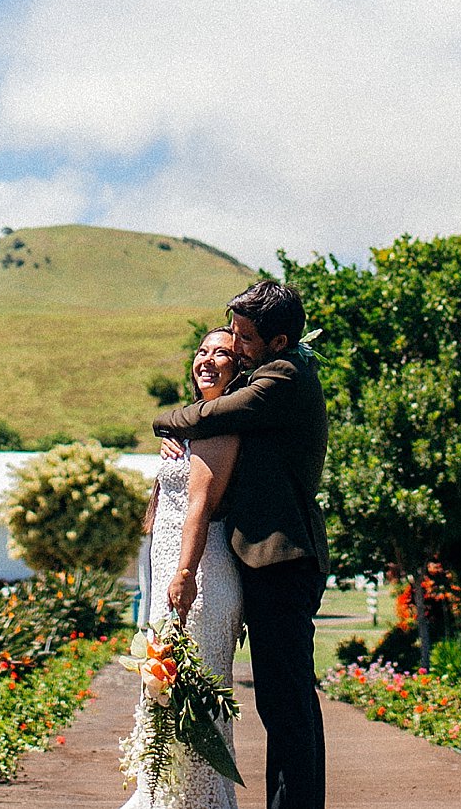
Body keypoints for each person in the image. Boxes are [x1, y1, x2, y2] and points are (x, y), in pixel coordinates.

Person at [153, 280, 329, 809]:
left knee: (288, 701)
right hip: (263, 559)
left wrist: (166, 422)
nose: (234, 341)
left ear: (277, 342)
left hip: (281, 558)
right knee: (280, 701)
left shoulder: (284, 376)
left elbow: (215, 416)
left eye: (243, 336)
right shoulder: (272, 370)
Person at [122, 327, 245, 809]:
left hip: (200, 575)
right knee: (162, 689)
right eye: (202, 351)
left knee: (190, 696)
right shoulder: (190, 425)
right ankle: (161, 797)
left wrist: (184, 574)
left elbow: (199, 505)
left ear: (239, 370)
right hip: (171, 573)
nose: (208, 360)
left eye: (222, 354)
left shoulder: (220, 424)